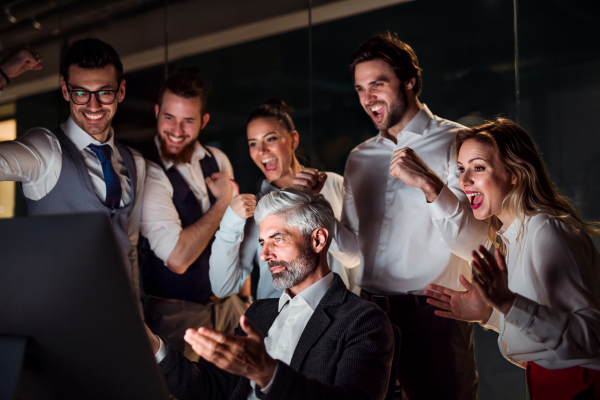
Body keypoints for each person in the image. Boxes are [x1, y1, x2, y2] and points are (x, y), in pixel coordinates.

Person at [326, 32, 485, 399]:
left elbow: (476, 240)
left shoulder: (459, 141)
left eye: (378, 84)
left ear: (410, 81)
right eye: (360, 88)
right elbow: (350, 252)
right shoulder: (358, 158)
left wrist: (430, 184)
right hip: (368, 314)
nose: (368, 99)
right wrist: (318, 210)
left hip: (433, 318)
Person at [146, 187, 394, 400]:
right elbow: (212, 388)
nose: (265, 255)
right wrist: (154, 347)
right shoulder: (258, 313)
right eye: (263, 243)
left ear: (318, 240)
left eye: (278, 239)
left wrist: (267, 374)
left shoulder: (363, 320)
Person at [421, 119, 600, 400]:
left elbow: (591, 337)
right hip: (546, 382)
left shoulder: (545, 230)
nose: (464, 180)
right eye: (461, 169)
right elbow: (538, 326)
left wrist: (507, 303)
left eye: (478, 168)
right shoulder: (512, 234)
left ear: (514, 173)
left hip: (579, 386)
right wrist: (490, 313)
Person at [0, 39, 146, 302]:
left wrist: (137, 327)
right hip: (58, 327)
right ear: (66, 91)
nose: (93, 106)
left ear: (121, 91)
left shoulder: (135, 162)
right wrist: (1, 74)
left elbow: (129, 250)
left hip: (120, 328)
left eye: (104, 92)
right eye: (81, 93)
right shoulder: (45, 150)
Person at [139, 67, 247, 361]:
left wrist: (245, 296)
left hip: (230, 308)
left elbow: (237, 236)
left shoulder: (218, 159)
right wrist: (224, 201)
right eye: (169, 118)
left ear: (203, 122)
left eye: (188, 121)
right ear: (157, 112)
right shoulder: (146, 170)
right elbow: (177, 259)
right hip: (177, 316)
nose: (176, 130)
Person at [209, 98, 359, 301]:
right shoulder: (254, 211)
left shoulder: (332, 184)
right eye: (253, 144)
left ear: (293, 140)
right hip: (278, 324)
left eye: (270, 139)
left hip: (339, 320)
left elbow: (354, 258)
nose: (262, 151)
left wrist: (312, 202)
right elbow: (223, 287)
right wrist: (229, 224)